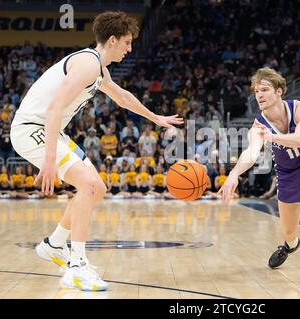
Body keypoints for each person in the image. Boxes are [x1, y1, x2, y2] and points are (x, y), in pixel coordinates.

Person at [10, 11, 183, 291]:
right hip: (32, 129)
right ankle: (77, 265)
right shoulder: (87, 65)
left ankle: (54, 245)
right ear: (112, 40)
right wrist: (50, 159)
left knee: (97, 188)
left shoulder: (98, 68)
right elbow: (54, 108)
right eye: (127, 42)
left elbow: (123, 97)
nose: (129, 49)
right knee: (88, 185)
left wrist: (156, 118)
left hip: (49, 130)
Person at [219, 67, 300, 284]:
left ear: (279, 91)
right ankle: (290, 245)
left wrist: (271, 136)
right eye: (256, 91)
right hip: (286, 171)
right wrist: (234, 174)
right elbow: (251, 153)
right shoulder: (258, 125)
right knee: (288, 232)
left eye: (264, 89)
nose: (259, 95)